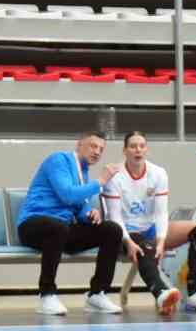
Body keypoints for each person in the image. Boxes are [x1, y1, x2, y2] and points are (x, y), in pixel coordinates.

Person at [102, 132, 196, 315]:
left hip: (152, 229)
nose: (137, 150)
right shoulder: (115, 177)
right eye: (133, 146)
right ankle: (160, 292)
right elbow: (114, 217)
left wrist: (162, 240)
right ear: (125, 150)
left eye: (141, 146)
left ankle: (194, 293)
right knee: (141, 246)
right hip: (126, 233)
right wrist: (128, 242)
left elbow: (161, 212)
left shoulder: (158, 173)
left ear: (146, 149)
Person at [16, 132, 124, 316]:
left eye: (101, 149)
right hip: (32, 225)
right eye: (92, 146)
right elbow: (67, 194)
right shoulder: (58, 160)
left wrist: (90, 213)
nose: (97, 152)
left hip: (61, 230)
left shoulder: (83, 173)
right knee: (58, 227)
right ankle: (46, 295)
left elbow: (78, 206)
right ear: (79, 144)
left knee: (111, 230)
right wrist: (101, 181)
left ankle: (97, 294)